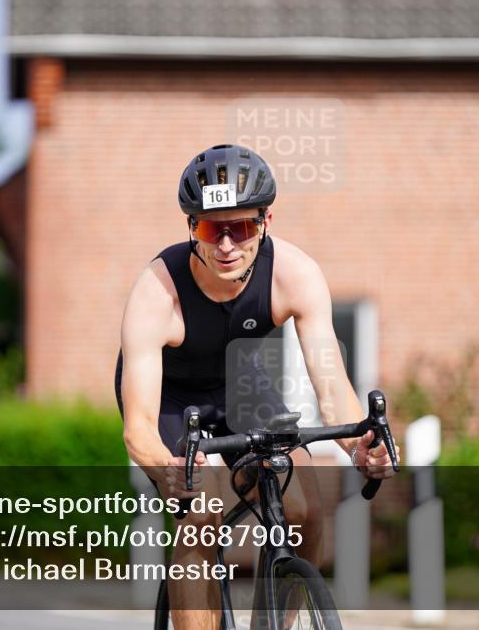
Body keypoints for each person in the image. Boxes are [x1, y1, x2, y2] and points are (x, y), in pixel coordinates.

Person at [116, 144, 399, 630]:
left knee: (303, 508)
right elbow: (138, 425)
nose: (226, 244)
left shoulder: (296, 274)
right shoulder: (156, 292)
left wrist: (362, 446)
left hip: (240, 386)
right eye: (211, 228)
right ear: (191, 228)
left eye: (241, 227)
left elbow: (331, 386)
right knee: (198, 519)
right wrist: (167, 472)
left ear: (267, 220)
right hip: (171, 399)